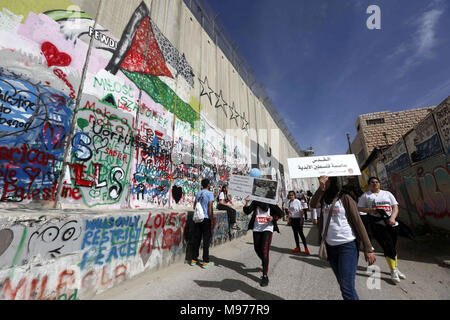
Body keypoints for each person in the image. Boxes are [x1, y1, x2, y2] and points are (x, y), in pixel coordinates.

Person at [310, 176, 376, 300]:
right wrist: (321, 188)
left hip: (347, 246)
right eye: (321, 180)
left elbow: (358, 222)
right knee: (344, 285)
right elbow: (313, 204)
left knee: (346, 287)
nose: (323, 182)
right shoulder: (323, 198)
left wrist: (368, 248)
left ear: (333, 182)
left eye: (326, 180)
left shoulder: (345, 198)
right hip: (330, 247)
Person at [357, 176, 405, 283]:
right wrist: (369, 210)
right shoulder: (366, 196)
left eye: (376, 182)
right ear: (369, 185)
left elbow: (395, 207)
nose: (375, 184)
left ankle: (395, 268)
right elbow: (359, 208)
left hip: (392, 224)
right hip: (378, 225)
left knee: (392, 247)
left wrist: (392, 217)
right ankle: (393, 271)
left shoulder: (387, 194)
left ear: (379, 183)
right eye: (372, 182)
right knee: (388, 246)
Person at [243, 196, 283, 287]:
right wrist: (246, 202)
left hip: (268, 228)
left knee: (264, 251)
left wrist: (273, 218)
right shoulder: (256, 202)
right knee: (257, 249)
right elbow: (247, 211)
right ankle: (265, 261)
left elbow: (280, 213)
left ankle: (265, 276)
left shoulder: (271, 202)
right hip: (257, 228)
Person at [191, 179, 215, 268]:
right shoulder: (210, 194)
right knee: (206, 240)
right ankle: (205, 261)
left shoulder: (198, 193)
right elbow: (210, 207)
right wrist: (212, 219)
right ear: (208, 184)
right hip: (206, 219)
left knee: (197, 239)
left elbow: (194, 206)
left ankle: (194, 259)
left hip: (198, 219)